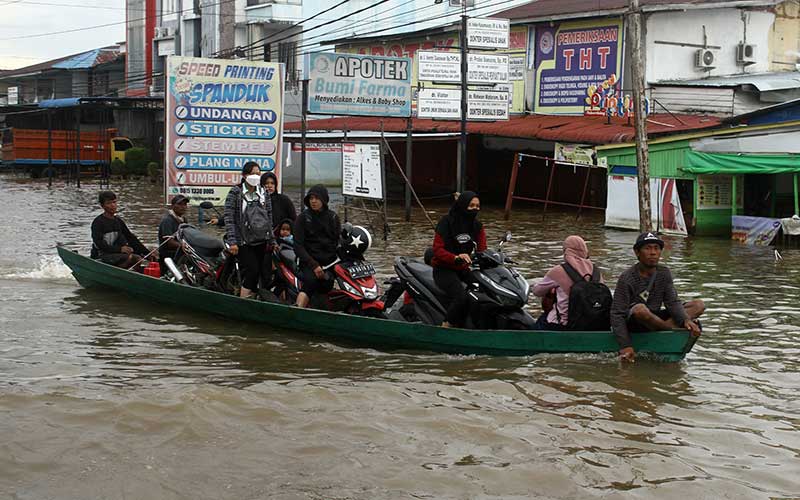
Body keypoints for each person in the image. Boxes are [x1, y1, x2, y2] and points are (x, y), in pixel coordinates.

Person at [611, 232, 705, 362]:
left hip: (655, 318)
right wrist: (626, 345)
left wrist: (685, 320)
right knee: (640, 309)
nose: (653, 252)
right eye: (648, 248)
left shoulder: (664, 273)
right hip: (637, 322)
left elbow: (672, 302)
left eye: (656, 248)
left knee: (698, 305)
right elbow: (617, 314)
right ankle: (671, 330)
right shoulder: (627, 278)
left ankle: (666, 328)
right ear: (637, 252)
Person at [431, 191, 487, 328]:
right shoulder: (446, 222)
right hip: (443, 269)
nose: (475, 209)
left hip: (463, 269)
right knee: (461, 297)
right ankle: (446, 325)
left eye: (477, 206)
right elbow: (437, 250)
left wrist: (489, 258)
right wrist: (455, 258)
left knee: (485, 292)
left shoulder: (477, 226)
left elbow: (483, 249)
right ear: (462, 205)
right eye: (471, 205)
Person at [223, 161, 275, 298]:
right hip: (243, 242)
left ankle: (252, 296)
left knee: (259, 272)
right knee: (252, 270)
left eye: (258, 174)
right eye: (253, 174)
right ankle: (243, 300)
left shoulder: (263, 192)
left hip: (261, 240)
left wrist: (272, 240)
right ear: (244, 175)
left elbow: (269, 217)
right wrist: (233, 241)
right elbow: (229, 218)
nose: (256, 176)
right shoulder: (236, 192)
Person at [533, 235, 604, 330]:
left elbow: (537, 291)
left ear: (566, 251)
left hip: (563, 325)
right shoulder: (596, 272)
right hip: (592, 323)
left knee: (540, 322)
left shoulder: (558, 271)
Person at [293, 184, 341, 308]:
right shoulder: (303, 218)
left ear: (324, 200)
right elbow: (298, 246)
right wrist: (314, 265)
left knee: (330, 282)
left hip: (329, 263)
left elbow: (337, 241)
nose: (313, 201)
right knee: (311, 282)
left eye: (317, 198)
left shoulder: (333, 217)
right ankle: (298, 310)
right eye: (311, 198)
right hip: (308, 262)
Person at [90, 191, 152, 269]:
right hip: (101, 255)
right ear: (103, 206)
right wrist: (120, 249)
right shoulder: (98, 222)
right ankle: (120, 272)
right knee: (134, 258)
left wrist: (147, 253)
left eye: (114, 202)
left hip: (115, 254)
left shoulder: (118, 221)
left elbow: (131, 238)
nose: (113, 205)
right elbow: (99, 244)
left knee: (140, 258)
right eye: (109, 203)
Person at [157, 194, 189, 275]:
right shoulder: (167, 220)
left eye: (185, 204)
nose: (183, 207)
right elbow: (169, 242)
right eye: (180, 204)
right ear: (173, 206)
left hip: (179, 252)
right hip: (168, 254)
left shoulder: (184, 220)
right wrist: (183, 246)